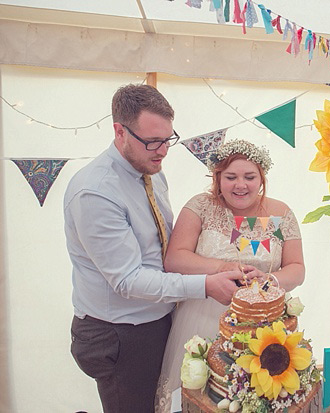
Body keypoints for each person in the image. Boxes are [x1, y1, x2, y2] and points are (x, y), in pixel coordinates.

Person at [64, 84, 250, 413]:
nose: (163, 151)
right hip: (119, 334)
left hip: (157, 320)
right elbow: (128, 280)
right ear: (119, 131)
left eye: (168, 139)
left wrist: (219, 263)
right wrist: (206, 286)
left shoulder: (151, 172)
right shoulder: (95, 192)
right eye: (152, 141)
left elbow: (163, 252)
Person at [154, 139, 305, 412]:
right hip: (202, 318)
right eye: (231, 177)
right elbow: (174, 259)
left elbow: (297, 269)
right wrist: (221, 267)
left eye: (249, 177)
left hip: (266, 325)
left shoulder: (281, 213)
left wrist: (268, 280)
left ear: (261, 178)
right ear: (217, 177)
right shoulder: (200, 206)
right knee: (204, 398)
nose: (240, 185)